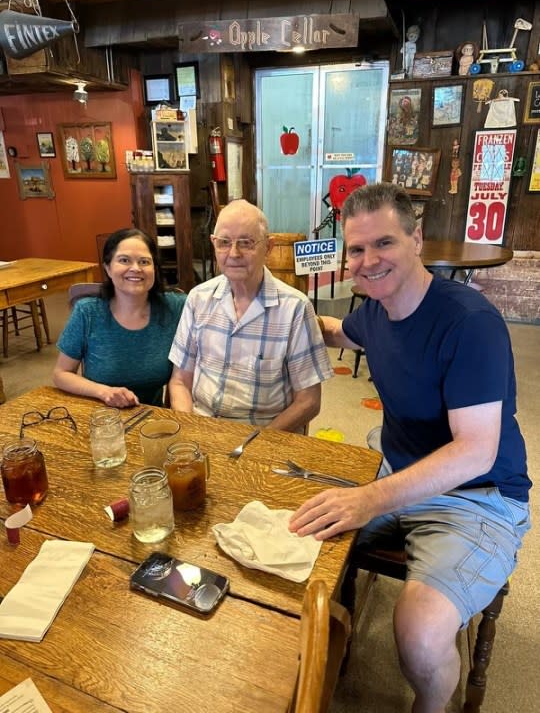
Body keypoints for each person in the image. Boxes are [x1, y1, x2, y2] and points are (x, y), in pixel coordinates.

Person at [289, 183, 531, 713]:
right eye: (356, 249)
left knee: (419, 631)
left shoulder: (469, 322)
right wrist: (278, 306)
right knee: (292, 530)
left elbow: (475, 452)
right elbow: (338, 332)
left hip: (479, 495)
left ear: (415, 238)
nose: (368, 261)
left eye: (384, 244)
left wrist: (370, 499)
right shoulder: (374, 311)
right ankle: (323, 651)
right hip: (401, 474)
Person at [168, 199, 333, 432]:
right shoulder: (198, 298)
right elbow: (179, 381)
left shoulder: (295, 308)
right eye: (224, 242)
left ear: (269, 247)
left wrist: (255, 444)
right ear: (213, 244)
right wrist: (191, 430)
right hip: (201, 428)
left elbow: (309, 402)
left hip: (265, 435)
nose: (233, 253)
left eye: (246, 243)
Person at [53, 228, 186, 407]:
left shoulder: (175, 307)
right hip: (100, 416)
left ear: (154, 268)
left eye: (144, 261)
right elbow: (61, 374)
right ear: (107, 267)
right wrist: (104, 392)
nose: (136, 269)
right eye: (124, 260)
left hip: (152, 419)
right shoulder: (88, 312)